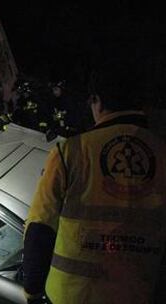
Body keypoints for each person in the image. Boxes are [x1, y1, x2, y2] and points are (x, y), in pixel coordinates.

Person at [23, 62, 166, 304]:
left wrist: (32, 292)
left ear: (96, 100)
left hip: (72, 296)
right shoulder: (162, 155)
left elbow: (39, 230)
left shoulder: (70, 152)